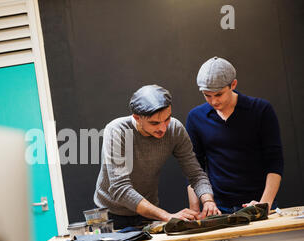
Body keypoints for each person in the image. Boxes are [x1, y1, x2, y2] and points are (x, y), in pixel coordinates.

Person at [93, 84, 220, 230]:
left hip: (148, 213)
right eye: (154, 123)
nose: (163, 128)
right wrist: (167, 216)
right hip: (110, 215)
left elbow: (196, 175)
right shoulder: (117, 131)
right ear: (137, 118)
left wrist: (208, 200)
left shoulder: (174, 128)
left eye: (167, 118)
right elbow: (120, 189)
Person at [186, 57, 284, 217]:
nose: (213, 101)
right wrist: (196, 211)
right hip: (218, 209)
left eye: (218, 94)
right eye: (207, 95)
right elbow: (194, 169)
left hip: (258, 203)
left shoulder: (260, 110)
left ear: (233, 84)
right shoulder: (196, 117)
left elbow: (275, 162)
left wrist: (264, 204)